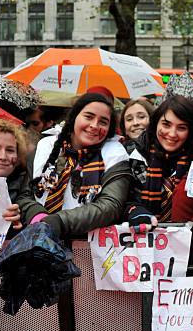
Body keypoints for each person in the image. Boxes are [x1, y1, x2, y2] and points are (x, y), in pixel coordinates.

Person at [15, 93, 132, 238]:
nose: (94, 126)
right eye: (88, 117)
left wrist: (59, 222)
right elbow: (24, 195)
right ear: (74, 117)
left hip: (86, 247)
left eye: (103, 122)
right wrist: (37, 216)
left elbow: (110, 206)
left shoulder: (115, 155)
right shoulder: (46, 146)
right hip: (36, 237)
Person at [124, 95, 193, 230]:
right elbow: (123, 198)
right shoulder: (133, 156)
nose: (172, 133)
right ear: (155, 123)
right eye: (166, 124)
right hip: (141, 241)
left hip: (187, 241)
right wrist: (135, 210)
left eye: (181, 128)